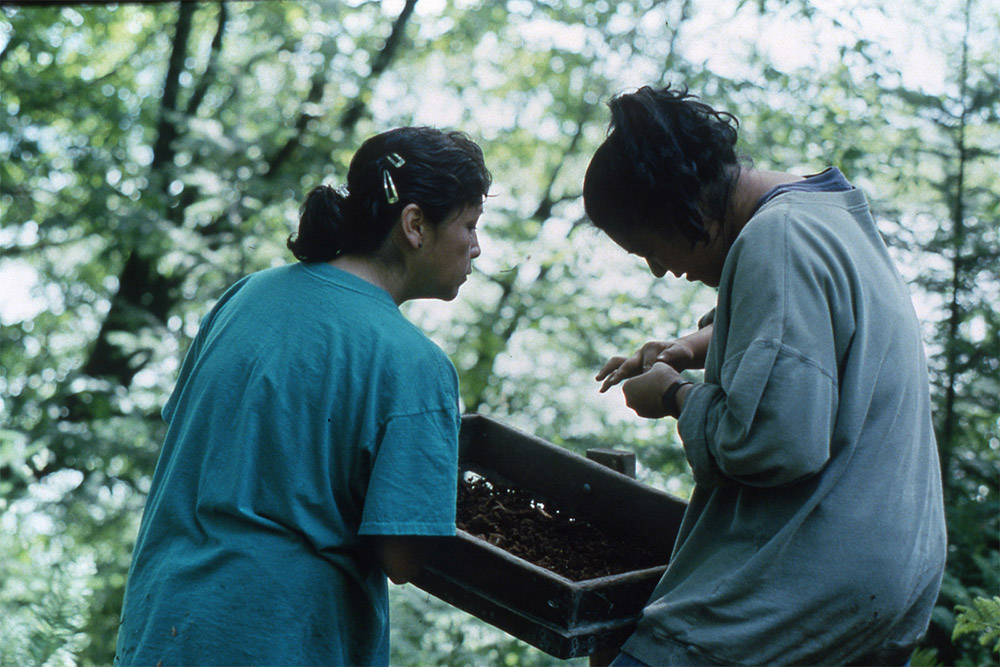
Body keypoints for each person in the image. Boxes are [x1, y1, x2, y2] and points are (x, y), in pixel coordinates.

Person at [584, 85, 946, 666]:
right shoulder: (826, 209)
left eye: (645, 246)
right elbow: (813, 332)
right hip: (889, 583)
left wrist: (673, 396)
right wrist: (687, 347)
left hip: (809, 580)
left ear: (676, 203)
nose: (657, 269)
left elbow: (778, 442)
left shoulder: (773, 239)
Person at [113, 126, 491, 666]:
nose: (477, 247)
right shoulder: (416, 365)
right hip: (279, 641)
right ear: (414, 225)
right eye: (470, 226)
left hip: (162, 629)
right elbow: (403, 556)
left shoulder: (245, 296)